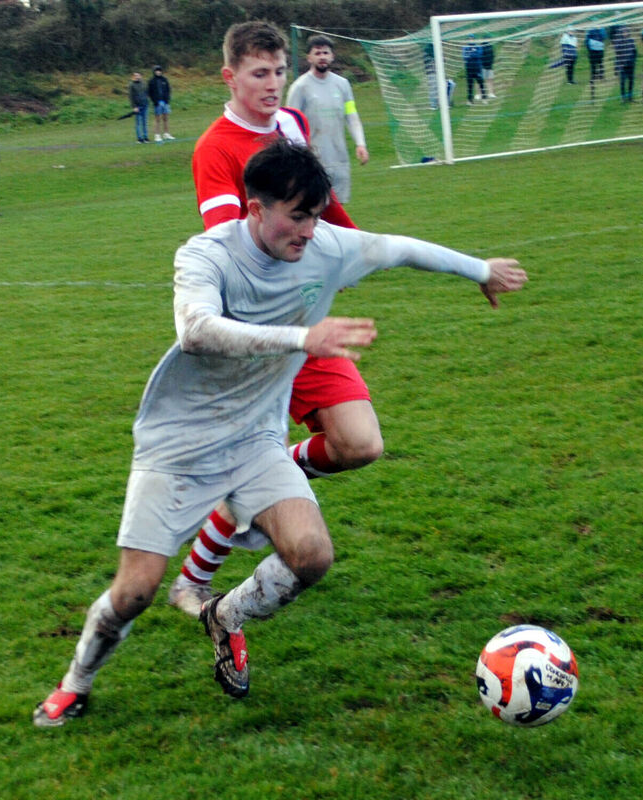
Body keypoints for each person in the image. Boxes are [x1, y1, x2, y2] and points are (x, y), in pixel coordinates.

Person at [33, 137, 526, 726]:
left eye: (316, 215)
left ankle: (225, 616)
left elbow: (397, 248)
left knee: (312, 555)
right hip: (179, 444)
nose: (310, 231)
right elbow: (196, 330)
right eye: (297, 216)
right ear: (255, 208)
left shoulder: (324, 246)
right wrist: (300, 338)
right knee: (136, 590)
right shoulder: (205, 255)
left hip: (255, 441)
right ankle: (75, 681)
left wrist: (480, 270)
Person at [169, 20, 375, 618]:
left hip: (306, 318)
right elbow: (224, 243)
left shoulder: (293, 125)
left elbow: (321, 202)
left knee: (360, 445)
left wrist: (357, 250)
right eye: (260, 73)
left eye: (279, 71)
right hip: (252, 338)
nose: (273, 84)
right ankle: (192, 584)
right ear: (230, 77)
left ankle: (273, 469)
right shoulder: (214, 149)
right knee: (257, 484)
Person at [286, 34, 368, 203]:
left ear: (332, 56)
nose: (322, 57)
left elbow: (351, 116)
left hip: (339, 160)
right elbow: (289, 126)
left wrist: (360, 144)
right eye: (317, 53)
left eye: (325, 52)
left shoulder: (343, 84)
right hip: (313, 163)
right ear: (309, 57)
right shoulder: (300, 87)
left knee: (339, 211)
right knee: (316, 210)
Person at [148, 65, 174, 142]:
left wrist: (167, 99)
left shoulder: (164, 80)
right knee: (157, 119)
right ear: (154, 72)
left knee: (165, 118)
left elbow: (168, 90)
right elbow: (150, 93)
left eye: (159, 70)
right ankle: (157, 135)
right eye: (157, 71)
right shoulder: (152, 81)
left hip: (165, 102)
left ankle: (166, 133)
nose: (158, 72)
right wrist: (155, 101)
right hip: (157, 103)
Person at [613, 26, 637, 102]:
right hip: (623, 66)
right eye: (624, 32)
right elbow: (617, 54)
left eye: (626, 31)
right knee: (622, 82)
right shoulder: (618, 42)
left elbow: (634, 52)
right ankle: (623, 98)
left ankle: (630, 98)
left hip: (631, 65)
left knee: (631, 81)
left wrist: (633, 60)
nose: (625, 33)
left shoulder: (631, 41)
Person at [462, 35, 486, 105]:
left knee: (481, 83)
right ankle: (470, 100)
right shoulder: (465, 48)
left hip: (477, 67)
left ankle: (484, 98)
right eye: (469, 39)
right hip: (469, 68)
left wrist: (471, 55)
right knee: (470, 85)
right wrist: (473, 54)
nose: (470, 40)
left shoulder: (478, 47)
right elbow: (464, 57)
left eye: (472, 39)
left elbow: (479, 55)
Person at [128, 71, 149, 143]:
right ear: (133, 77)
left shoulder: (144, 84)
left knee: (145, 122)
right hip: (137, 106)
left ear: (140, 76)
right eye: (135, 76)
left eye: (138, 75)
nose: (137, 77)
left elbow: (147, 93)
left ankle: (145, 137)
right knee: (138, 123)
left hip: (145, 105)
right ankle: (139, 138)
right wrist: (134, 106)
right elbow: (131, 97)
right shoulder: (131, 85)